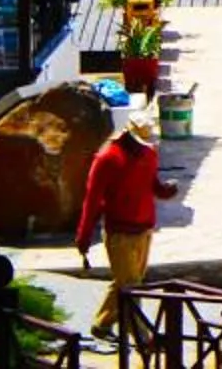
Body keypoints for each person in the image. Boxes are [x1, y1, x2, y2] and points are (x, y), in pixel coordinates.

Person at [77, 112, 179, 340]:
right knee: (132, 286)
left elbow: (153, 185)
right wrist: (83, 236)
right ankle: (144, 337)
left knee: (127, 282)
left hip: (144, 229)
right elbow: (92, 200)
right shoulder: (106, 158)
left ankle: (102, 324)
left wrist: (167, 191)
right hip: (119, 232)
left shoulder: (149, 153)